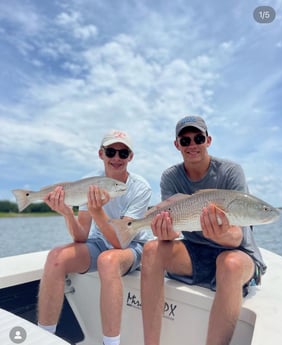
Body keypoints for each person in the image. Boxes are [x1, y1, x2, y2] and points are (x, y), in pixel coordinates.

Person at [141, 115, 266, 345]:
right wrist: (166, 232)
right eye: (185, 140)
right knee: (150, 250)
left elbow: (239, 235)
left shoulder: (231, 172)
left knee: (230, 264)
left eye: (198, 138)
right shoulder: (170, 177)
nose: (192, 145)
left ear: (208, 140)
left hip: (238, 254)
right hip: (195, 253)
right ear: (177, 145)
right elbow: (171, 233)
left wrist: (221, 234)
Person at [37, 129, 152, 345]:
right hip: (99, 242)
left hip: (132, 246)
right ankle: (44, 338)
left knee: (107, 261)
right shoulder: (88, 183)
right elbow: (80, 236)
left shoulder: (140, 188)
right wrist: (67, 213)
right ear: (101, 154)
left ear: (131, 157)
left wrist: (98, 212)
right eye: (111, 152)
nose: (116, 158)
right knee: (56, 256)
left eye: (123, 153)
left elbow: (121, 241)